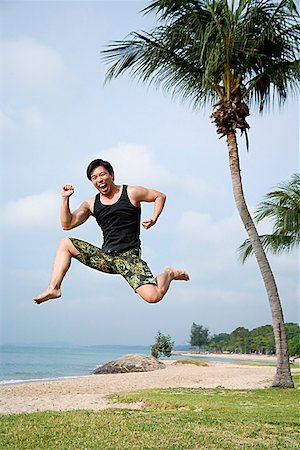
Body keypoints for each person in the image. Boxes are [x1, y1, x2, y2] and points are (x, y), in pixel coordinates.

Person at [33, 158, 189, 305]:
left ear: (111, 175)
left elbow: (159, 196)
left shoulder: (131, 193)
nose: (99, 179)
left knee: (153, 297)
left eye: (102, 174)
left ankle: (170, 273)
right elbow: (67, 224)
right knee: (65, 243)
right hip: (106, 258)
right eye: (94, 177)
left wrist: (154, 218)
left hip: (129, 258)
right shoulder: (91, 204)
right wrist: (65, 199)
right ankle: (54, 287)